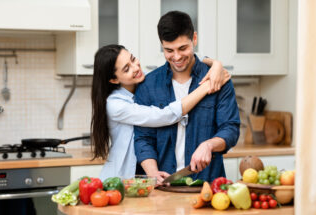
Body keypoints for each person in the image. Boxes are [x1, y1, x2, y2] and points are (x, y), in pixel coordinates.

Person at [90, 44, 230, 181]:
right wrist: (206, 87)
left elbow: (192, 59)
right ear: (114, 79)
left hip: (143, 179)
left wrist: (215, 63)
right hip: (119, 180)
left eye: (133, 59)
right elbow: (164, 116)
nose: (136, 68)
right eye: (126, 69)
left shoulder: (144, 85)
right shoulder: (115, 105)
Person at [134, 11, 240, 185]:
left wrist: (209, 145)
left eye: (183, 48)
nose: (176, 57)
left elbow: (231, 129)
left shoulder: (217, 78)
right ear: (162, 45)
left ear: (194, 39)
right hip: (164, 186)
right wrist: (153, 173)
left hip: (207, 184)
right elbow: (143, 138)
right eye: (169, 50)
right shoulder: (148, 85)